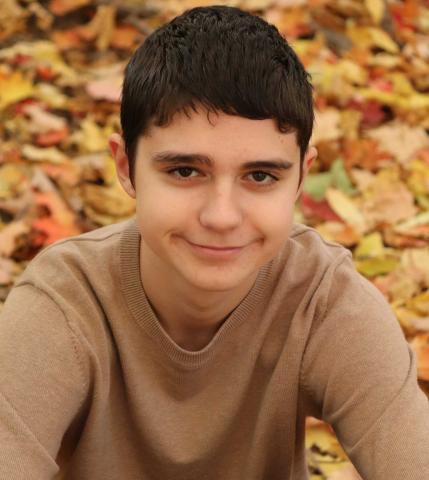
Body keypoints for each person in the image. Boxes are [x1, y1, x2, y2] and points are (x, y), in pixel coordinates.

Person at [0, 5, 428, 479]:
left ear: (303, 176)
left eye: (261, 176)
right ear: (125, 167)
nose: (221, 216)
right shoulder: (65, 306)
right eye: (185, 171)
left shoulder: (323, 304)